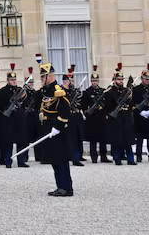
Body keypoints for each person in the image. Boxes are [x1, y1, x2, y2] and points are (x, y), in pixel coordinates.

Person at [35, 62, 73, 197]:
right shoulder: (45, 91)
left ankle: (66, 187)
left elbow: (65, 110)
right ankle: (60, 186)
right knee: (54, 160)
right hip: (48, 129)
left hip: (58, 130)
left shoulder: (58, 90)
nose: (41, 79)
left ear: (49, 76)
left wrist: (57, 127)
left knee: (61, 159)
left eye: (43, 77)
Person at [101, 64, 135, 166]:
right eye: (118, 79)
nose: (121, 81)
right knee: (117, 140)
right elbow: (107, 106)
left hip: (125, 117)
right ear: (114, 80)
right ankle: (117, 158)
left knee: (127, 140)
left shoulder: (126, 91)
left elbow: (131, 104)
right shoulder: (110, 92)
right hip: (116, 119)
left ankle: (130, 159)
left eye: (121, 79)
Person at [79, 66, 108, 164]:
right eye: (93, 81)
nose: (95, 82)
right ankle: (94, 156)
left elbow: (106, 105)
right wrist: (87, 114)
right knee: (93, 139)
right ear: (91, 81)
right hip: (92, 119)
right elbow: (83, 106)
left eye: (96, 81)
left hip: (102, 117)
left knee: (103, 138)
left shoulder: (103, 91)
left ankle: (103, 156)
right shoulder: (87, 92)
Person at [132, 64, 149, 163]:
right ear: (142, 79)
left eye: (148, 79)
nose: (147, 80)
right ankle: (138, 156)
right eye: (145, 79)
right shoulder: (137, 89)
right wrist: (140, 112)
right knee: (140, 137)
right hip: (141, 115)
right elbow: (134, 102)